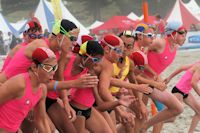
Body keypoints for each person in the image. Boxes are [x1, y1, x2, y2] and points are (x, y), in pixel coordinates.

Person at [0, 47, 57, 133]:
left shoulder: (42, 89)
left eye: (54, 68)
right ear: (34, 67)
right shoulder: (19, 84)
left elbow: (40, 120)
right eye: (48, 68)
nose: (52, 72)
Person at [146, 21, 187, 133]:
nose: (184, 36)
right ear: (173, 33)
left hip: (154, 83)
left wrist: (159, 76)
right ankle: (142, 127)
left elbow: (156, 63)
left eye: (185, 33)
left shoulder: (174, 48)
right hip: (141, 81)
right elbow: (142, 48)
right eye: (182, 33)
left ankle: (143, 127)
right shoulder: (160, 43)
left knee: (168, 115)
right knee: (138, 116)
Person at [164, 62, 200, 133]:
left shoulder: (197, 63)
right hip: (178, 91)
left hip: (186, 93)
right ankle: (152, 122)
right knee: (171, 118)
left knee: (199, 112)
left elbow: (182, 67)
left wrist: (169, 77)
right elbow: (193, 83)